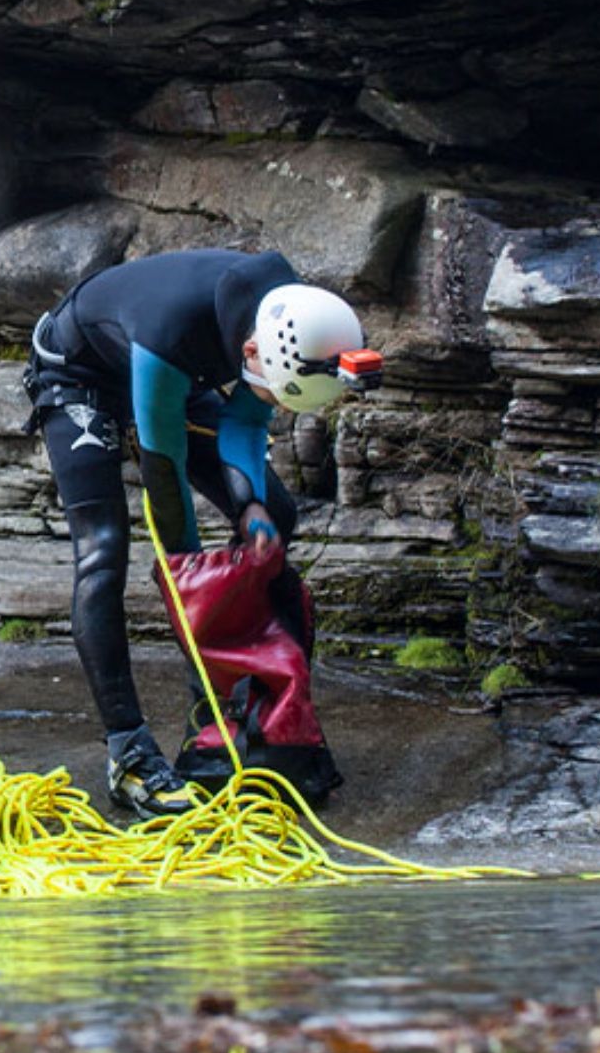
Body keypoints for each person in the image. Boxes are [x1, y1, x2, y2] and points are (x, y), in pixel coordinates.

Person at [22, 250, 377, 819]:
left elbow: (246, 415)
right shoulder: (178, 329)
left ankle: (249, 713)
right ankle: (130, 752)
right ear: (253, 353)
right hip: (83, 374)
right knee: (103, 551)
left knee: (276, 513)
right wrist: (197, 604)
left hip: (179, 376)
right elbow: (167, 492)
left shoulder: (288, 316)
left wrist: (251, 509)